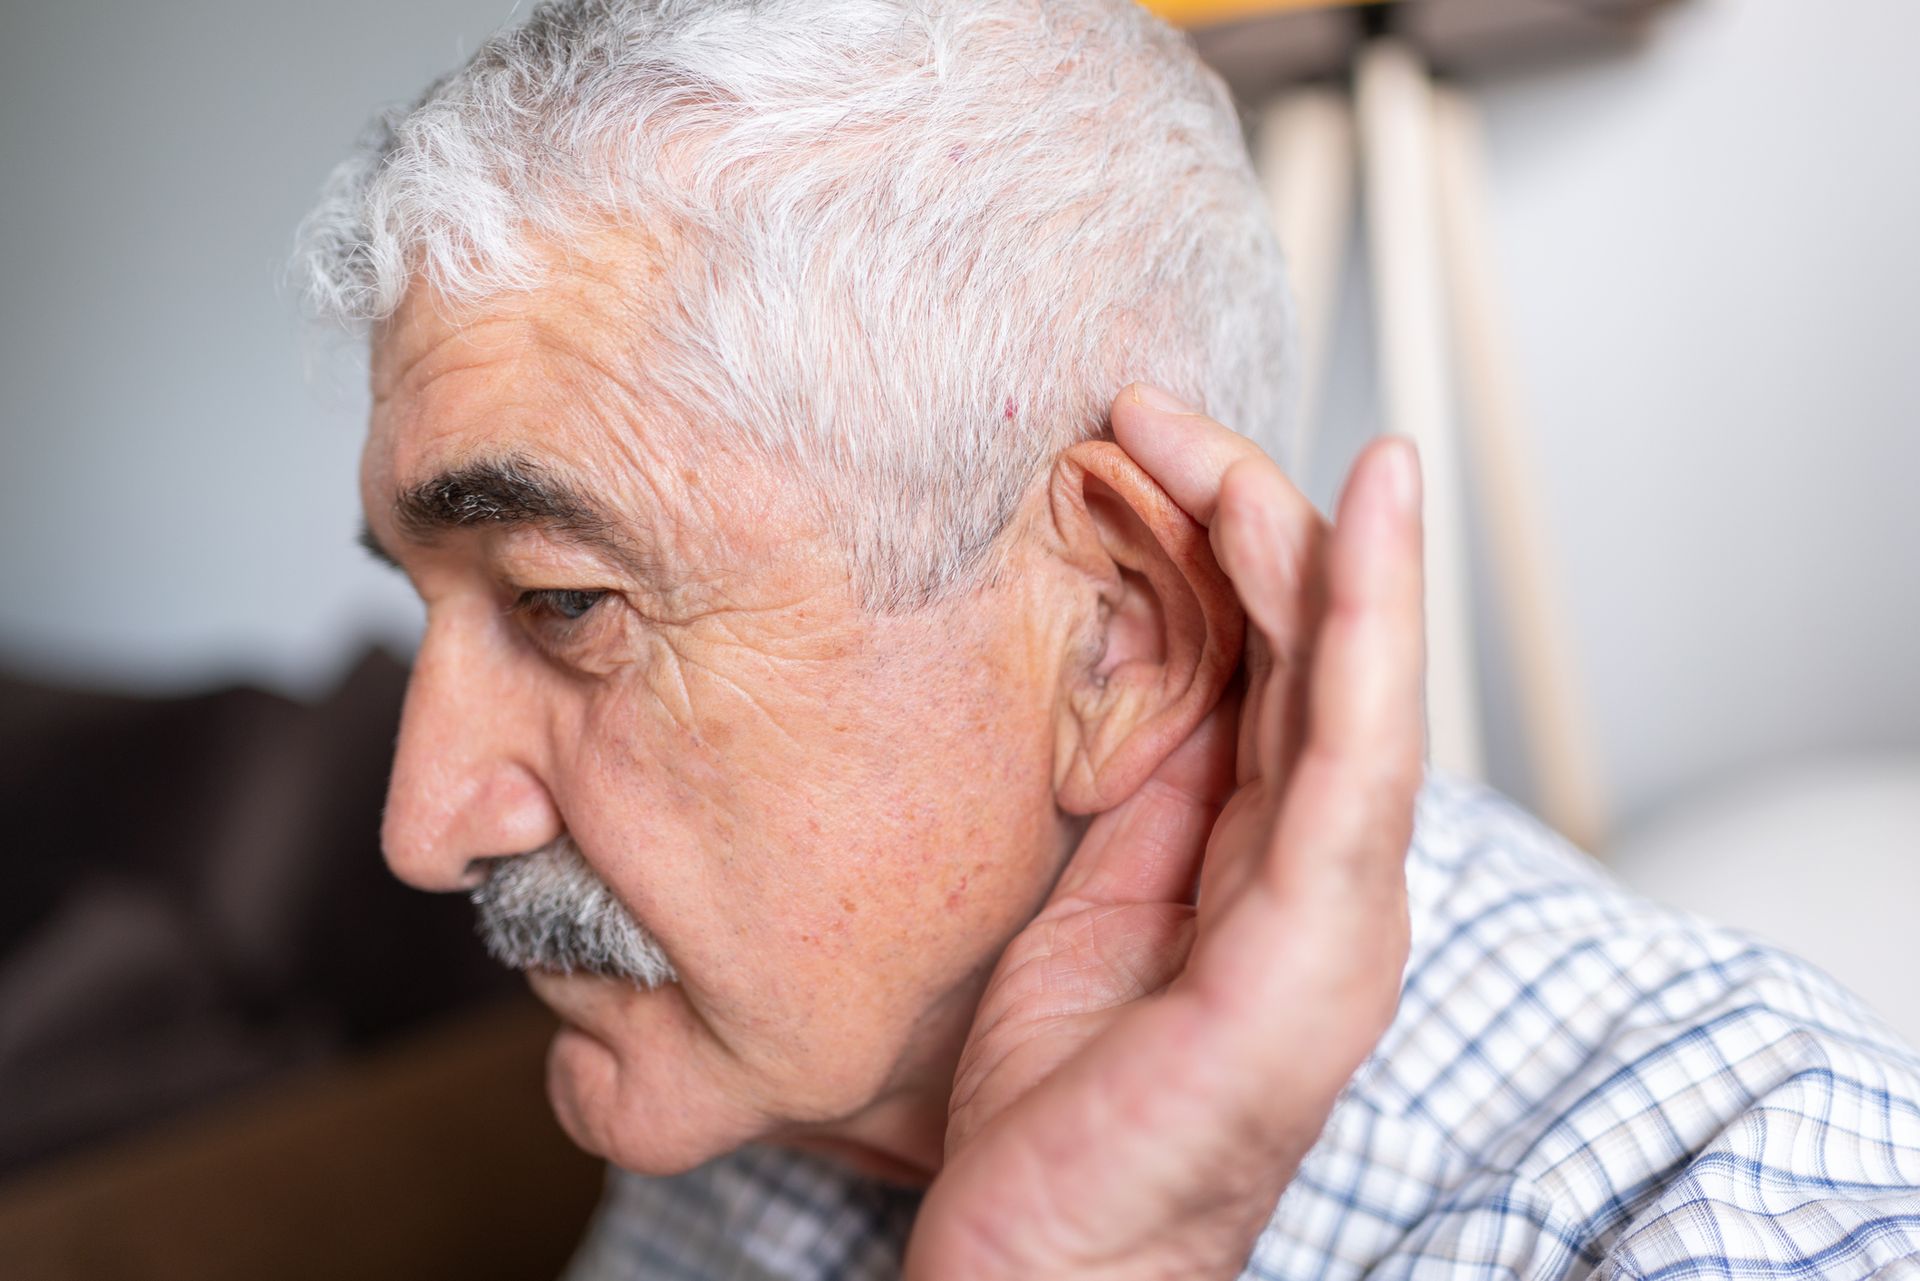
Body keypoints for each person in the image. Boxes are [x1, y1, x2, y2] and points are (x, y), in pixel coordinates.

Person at [298, 1, 1920, 1275]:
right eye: (429, 599)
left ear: (1113, 635)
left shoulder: (1734, 1211)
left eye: (563, 602)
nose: (426, 825)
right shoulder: (774, 1086)